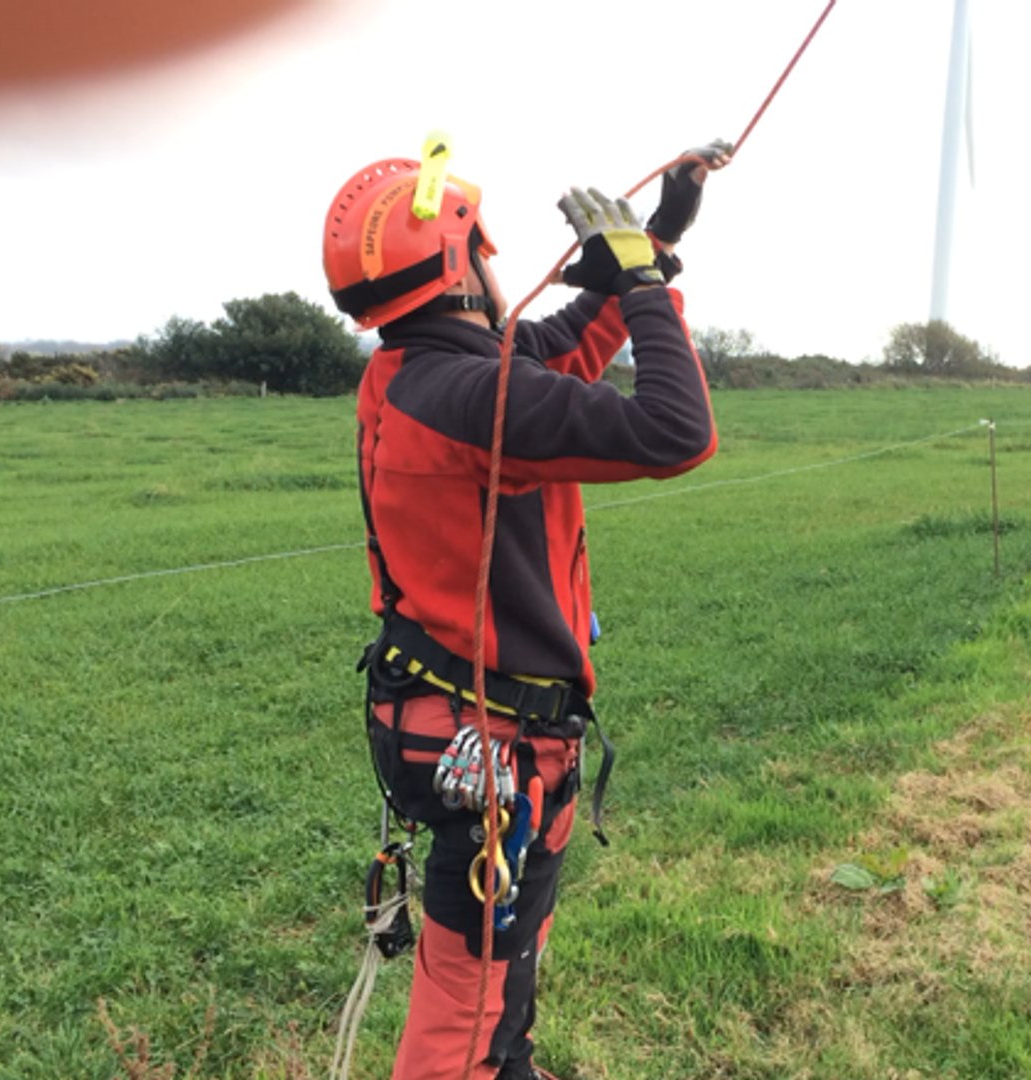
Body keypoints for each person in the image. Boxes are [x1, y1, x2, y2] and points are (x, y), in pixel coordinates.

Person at [323, 138, 730, 1080]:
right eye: (483, 249)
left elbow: (566, 346)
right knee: (462, 1009)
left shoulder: (419, 374)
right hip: (492, 748)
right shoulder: (475, 397)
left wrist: (658, 236)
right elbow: (676, 429)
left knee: (505, 961)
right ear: (461, 264)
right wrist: (644, 285)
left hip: (462, 728)